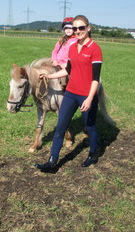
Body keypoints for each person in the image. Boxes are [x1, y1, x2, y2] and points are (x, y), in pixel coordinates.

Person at [35, 15, 102, 170]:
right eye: (76, 28)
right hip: (71, 93)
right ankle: (52, 162)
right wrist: (49, 75)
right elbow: (68, 70)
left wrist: (90, 98)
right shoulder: (72, 47)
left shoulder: (95, 49)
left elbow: (95, 79)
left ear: (88, 28)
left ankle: (93, 153)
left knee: (90, 126)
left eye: (81, 28)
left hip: (86, 95)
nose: (78, 31)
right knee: (60, 127)